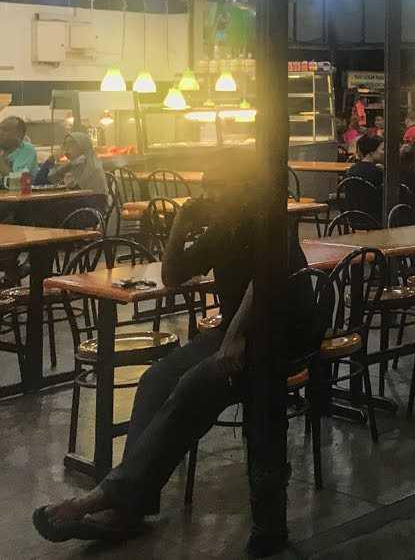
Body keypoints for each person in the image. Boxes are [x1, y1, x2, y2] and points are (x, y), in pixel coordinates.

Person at [32, 154, 318, 553]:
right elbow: (171, 276)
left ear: (244, 189)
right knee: (156, 378)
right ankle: (131, 505)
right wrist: (183, 221)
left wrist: (234, 336)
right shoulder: (223, 225)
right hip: (235, 330)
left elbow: (265, 281)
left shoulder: (268, 219)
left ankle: (112, 496)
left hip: (281, 336)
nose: (212, 194)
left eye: (221, 186)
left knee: (196, 383)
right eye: (208, 187)